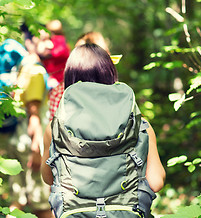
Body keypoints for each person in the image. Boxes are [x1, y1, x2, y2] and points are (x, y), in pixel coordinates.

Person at [41, 43, 165, 194]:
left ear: (70, 77)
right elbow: (156, 182)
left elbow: (49, 178)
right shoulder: (139, 125)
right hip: (126, 214)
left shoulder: (55, 128)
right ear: (110, 73)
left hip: (75, 215)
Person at [0, 39, 54, 218]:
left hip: (17, 140)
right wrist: (37, 148)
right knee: (42, 203)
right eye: (43, 40)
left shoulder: (23, 69)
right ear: (29, 43)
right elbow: (33, 113)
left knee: (18, 198)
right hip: (31, 142)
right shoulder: (35, 72)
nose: (50, 44)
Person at [36, 20, 70, 121]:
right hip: (51, 77)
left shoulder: (59, 39)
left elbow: (60, 52)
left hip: (58, 78)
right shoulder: (51, 39)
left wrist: (47, 54)